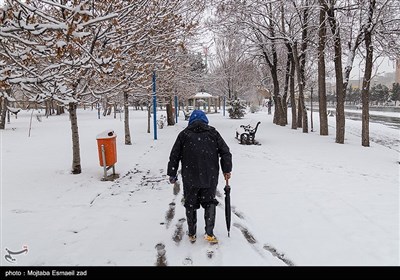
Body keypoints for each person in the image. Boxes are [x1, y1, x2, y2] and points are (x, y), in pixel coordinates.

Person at [167, 110, 232, 244]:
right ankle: (209, 233)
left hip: (190, 177)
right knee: (209, 202)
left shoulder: (184, 135)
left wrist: (172, 173)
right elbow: (225, 152)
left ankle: (192, 233)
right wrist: (227, 169)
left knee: (190, 203)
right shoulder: (213, 133)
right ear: (205, 120)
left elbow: (174, 155)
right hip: (209, 176)